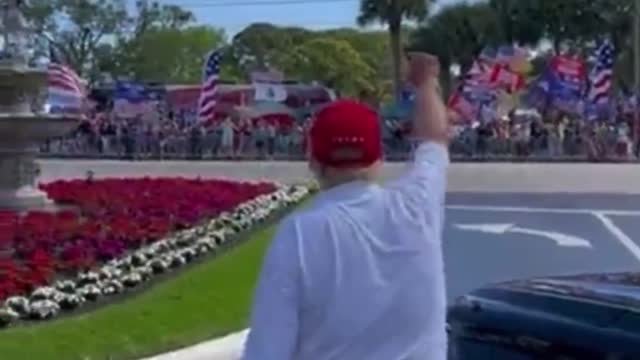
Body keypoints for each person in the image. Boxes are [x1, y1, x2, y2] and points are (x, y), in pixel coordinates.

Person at [242, 52, 450, 360]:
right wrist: (426, 84)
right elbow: (435, 138)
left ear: (312, 160)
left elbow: (267, 351)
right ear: (380, 157)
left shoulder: (299, 235)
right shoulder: (418, 205)